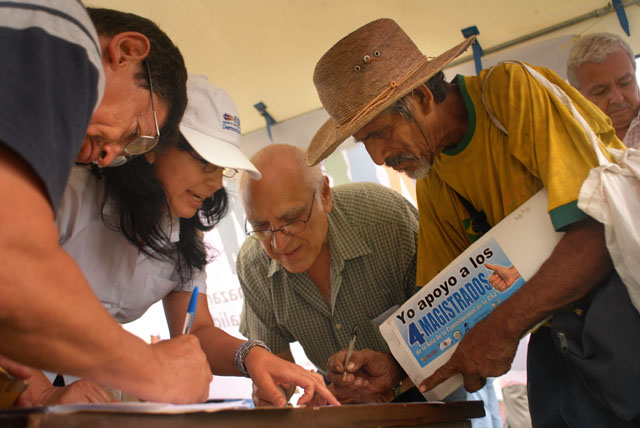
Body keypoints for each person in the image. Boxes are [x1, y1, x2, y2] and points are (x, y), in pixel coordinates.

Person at [306, 18, 632, 427]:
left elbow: (600, 230)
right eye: (365, 142)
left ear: (423, 96)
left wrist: (503, 326)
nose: (376, 157)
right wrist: (396, 370)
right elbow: (445, 305)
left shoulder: (509, 91)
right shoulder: (433, 170)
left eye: (380, 133)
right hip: (558, 337)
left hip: (621, 319)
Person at [15, 76, 338, 408]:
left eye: (222, 169)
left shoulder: (184, 232)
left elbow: (196, 334)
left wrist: (252, 357)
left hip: (80, 389)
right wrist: (41, 392)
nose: (214, 183)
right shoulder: (70, 196)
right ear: (155, 147)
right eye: (205, 164)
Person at [0, 3, 211, 404]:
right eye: (135, 131)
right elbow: (11, 269)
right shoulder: (61, 32)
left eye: (131, 149)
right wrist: (153, 371)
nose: (109, 156)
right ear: (126, 50)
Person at [237, 144, 419, 405]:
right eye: (261, 226)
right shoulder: (254, 265)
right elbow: (277, 373)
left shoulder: (387, 220)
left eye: (292, 218)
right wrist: (274, 394)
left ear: (324, 194)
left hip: (429, 387)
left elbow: (455, 324)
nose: (279, 244)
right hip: (342, 403)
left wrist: (396, 375)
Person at [566, 32, 640, 148]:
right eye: (600, 91)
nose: (618, 99)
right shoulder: (572, 143)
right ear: (577, 96)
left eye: (625, 83)